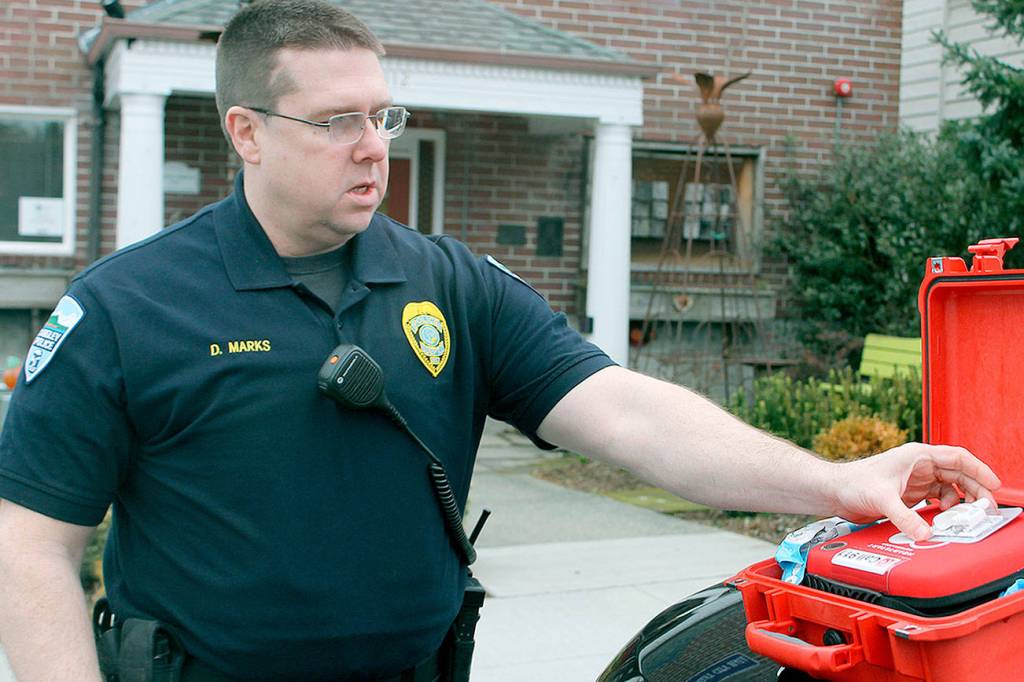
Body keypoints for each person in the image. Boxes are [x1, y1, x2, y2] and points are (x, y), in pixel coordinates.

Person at [0, 1, 1000, 681]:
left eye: (382, 115)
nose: (372, 145)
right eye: (336, 120)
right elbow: (31, 543)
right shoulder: (128, 307)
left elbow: (625, 413)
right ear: (246, 132)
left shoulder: (448, 283)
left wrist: (835, 482)